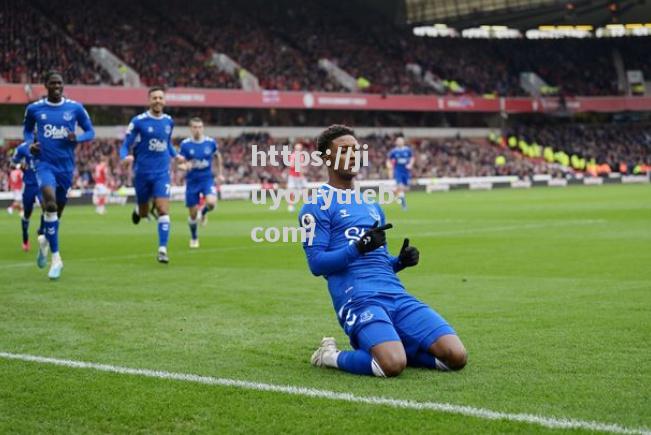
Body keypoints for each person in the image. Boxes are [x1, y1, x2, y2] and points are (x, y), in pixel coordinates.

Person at [300, 125, 467, 377]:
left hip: (395, 293)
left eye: (356, 150)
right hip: (358, 298)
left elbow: (378, 260)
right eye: (344, 151)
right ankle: (329, 356)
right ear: (325, 158)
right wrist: (356, 248)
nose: (353, 155)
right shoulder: (315, 206)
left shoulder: (372, 205)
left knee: (455, 357)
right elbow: (317, 264)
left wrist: (400, 262)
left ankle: (390, 343)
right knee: (391, 365)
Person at [23, 71, 95, 279]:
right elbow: (27, 131)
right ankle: (57, 258)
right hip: (44, 164)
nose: (56, 86)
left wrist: (78, 138)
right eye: (52, 83)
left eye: (59, 84)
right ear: (46, 85)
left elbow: (91, 132)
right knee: (50, 205)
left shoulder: (75, 108)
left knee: (56, 213)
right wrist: (30, 144)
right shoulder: (35, 109)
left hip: (66, 167)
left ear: (63, 86)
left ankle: (45, 241)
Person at [120, 86, 184, 263]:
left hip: (162, 173)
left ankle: (162, 249)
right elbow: (126, 144)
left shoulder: (169, 121)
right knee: (143, 213)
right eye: (154, 98)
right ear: (149, 100)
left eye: (160, 98)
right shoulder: (138, 121)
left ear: (164, 101)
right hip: (141, 174)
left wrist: (175, 155)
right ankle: (138, 210)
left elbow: (167, 143)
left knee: (163, 209)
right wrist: (124, 156)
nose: (157, 101)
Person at [178, 117, 224, 248]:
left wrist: (220, 174)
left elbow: (217, 156)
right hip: (192, 181)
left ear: (203, 128)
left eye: (199, 127)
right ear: (190, 129)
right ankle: (194, 237)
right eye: (195, 127)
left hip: (207, 179)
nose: (197, 130)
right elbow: (180, 163)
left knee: (211, 203)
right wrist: (184, 166)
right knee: (192, 215)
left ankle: (203, 213)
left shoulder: (210, 143)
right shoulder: (185, 145)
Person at [11, 142, 44, 251]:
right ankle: (25, 240)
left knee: (47, 208)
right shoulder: (23, 147)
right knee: (26, 214)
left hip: (42, 184)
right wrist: (20, 166)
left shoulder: (48, 145)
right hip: (29, 185)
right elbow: (13, 162)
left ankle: (41, 231)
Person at [386, 136, 413, 210]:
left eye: (400, 141)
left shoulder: (408, 150)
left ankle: (393, 191)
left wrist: (410, 164)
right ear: (396, 142)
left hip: (406, 171)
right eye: (398, 141)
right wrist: (389, 166)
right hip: (398, 171)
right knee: (401, 187)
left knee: (406, 188)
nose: (399, 142)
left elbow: (412, 158)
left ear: (403, 142)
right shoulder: (394, 151)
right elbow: (388, 159)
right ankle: (404, 205)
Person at [287, 142, 307, 212]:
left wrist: (302, 173)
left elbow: (302, 166)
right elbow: (291, 166)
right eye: (298, 149)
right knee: (291, 190)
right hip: (293, 176)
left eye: (300, 149)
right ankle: (291, 205)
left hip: (299, 176)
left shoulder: (302, 156)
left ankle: (306, 205)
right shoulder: (293, 156)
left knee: (304, 189)